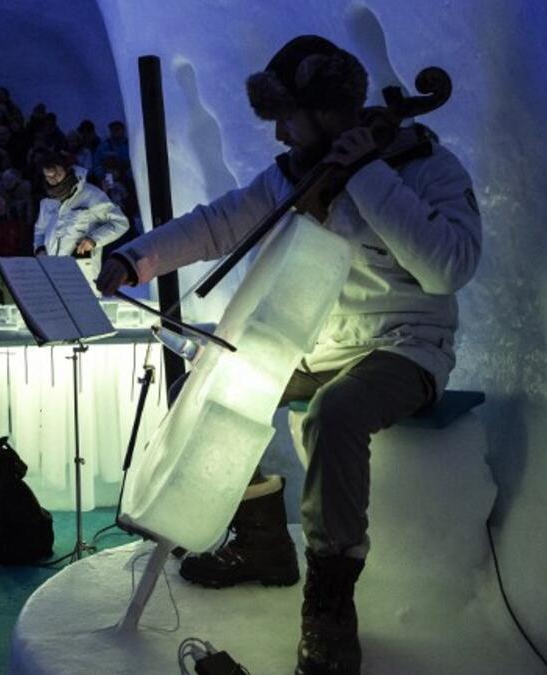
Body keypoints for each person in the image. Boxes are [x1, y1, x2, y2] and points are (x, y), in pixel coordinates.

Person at [96, 35, 482, 674]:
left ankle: (330, 605)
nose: (278, 134)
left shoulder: (425, 167)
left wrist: (369, 175)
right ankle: (263, 543)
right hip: (324, 343)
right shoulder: (298, 173)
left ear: (327, 112)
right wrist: (135, 257)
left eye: (287, 116)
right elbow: (218, 223)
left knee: (334, 412)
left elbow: (448, 268)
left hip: (406, 346)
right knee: (220, 379)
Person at [33, 153, 128, 288]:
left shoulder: (91, 195)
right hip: (52, 274)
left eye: (57, 174)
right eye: (49, 176)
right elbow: (40, 230)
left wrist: (94, 240)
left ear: (67, 170)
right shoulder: (47, 201)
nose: (53, 179)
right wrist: (40, 249)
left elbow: (121, 223)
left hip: (83, 275)